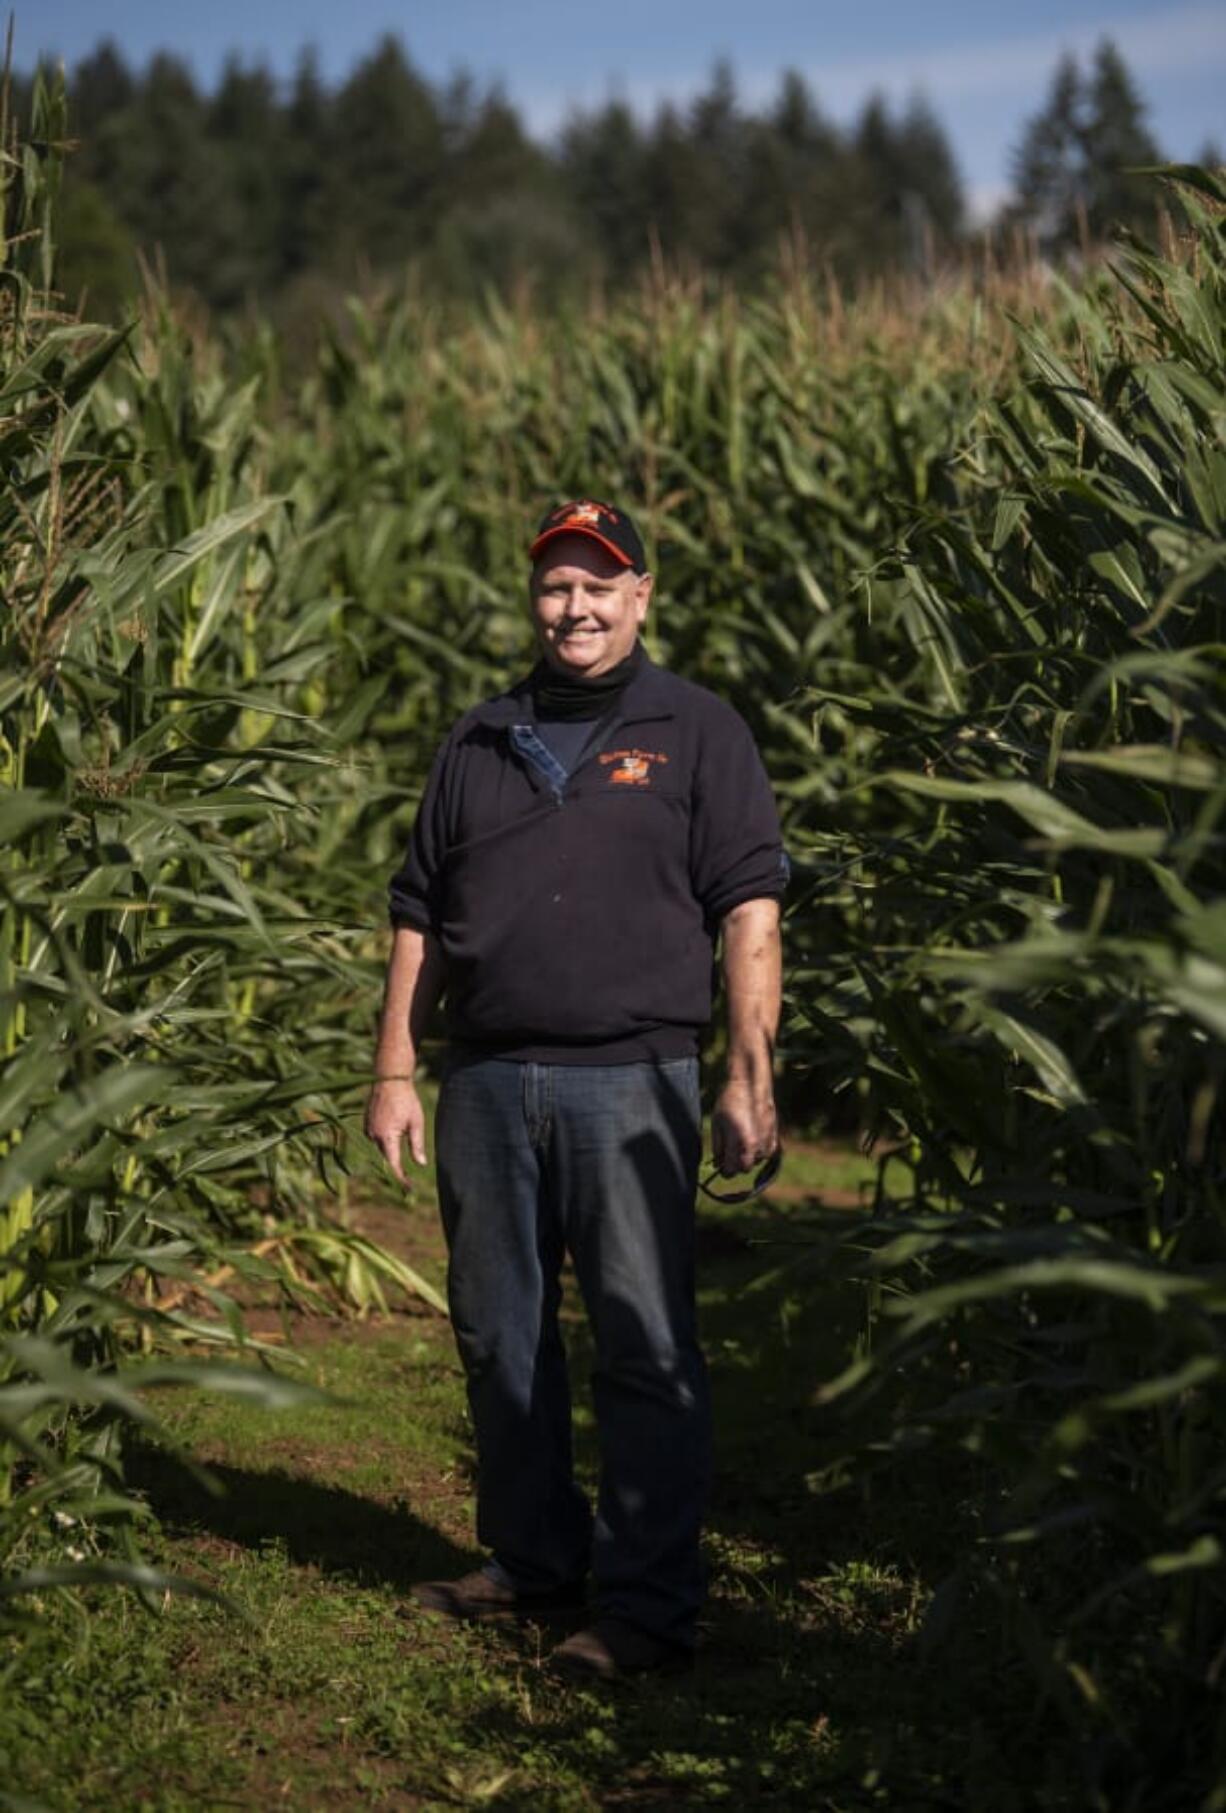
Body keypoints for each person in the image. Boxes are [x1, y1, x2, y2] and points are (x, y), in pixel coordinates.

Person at [365, 498, 785, 1681]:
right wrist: (394, 1065)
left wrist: (748, 1074)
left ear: (641, 595)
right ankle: (531, 1560)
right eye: (555, 586)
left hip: (633, 1080)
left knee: (644, 1345)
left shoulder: (697, 731)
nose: (576, 608)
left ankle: (646, 1606)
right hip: (485, 1082)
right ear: (532, 600)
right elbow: (418, 917)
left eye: (599, 586)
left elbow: (749, 909)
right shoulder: (478, 738)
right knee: (499, 1334)